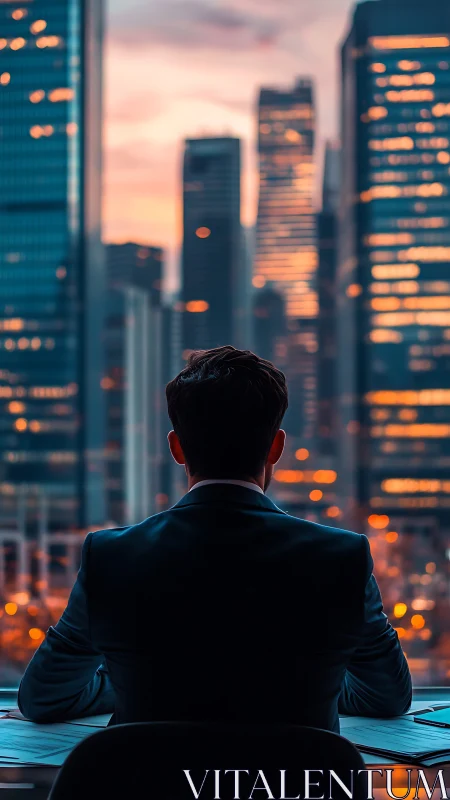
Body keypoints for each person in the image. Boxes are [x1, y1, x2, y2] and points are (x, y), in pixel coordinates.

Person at [18, 346, 411, 732]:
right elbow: (387, 697)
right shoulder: (342, 557)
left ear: (177, 448)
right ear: (277, 446)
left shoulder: (112, 556)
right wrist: (306, 685)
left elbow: (43, 697)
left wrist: (126, 684)